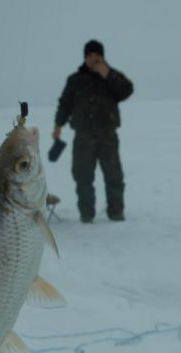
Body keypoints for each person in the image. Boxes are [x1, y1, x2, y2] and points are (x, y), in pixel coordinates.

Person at [52, 39, 134, 222]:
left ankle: (116, 213)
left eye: (97, 55)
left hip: (108, 136)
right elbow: (65, 104)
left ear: (102, 57)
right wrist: (58, 125)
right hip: (83, 137)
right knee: (82, 176)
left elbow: (127, 90)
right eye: (90, 55)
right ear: (85, 57)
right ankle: (86, 215)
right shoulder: (74, 80)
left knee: (114, 176)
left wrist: (108, 74)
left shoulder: (111, 77)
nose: (94, 58)